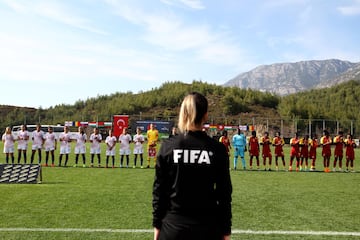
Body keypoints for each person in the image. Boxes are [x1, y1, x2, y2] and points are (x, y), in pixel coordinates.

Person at [152, 92, 232, 240]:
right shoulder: (217, 149)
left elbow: (159, 191)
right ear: (206, 115)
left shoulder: (168, 147)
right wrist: (226, 230)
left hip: (173, 229)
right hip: (208, 229)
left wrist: (157, 225)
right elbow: (224, 194)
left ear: (183, 113)